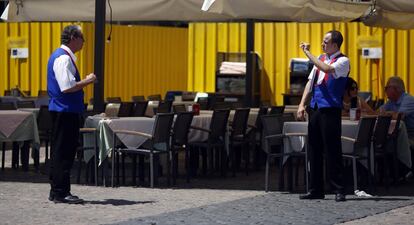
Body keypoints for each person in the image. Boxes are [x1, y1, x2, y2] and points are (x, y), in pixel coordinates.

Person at [297, 30, 349, 202]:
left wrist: (307, 53)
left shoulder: (343, 60)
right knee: (314, 149)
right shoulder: (320, 59)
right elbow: (310, 84)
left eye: (326, 41)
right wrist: (302, 104)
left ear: (335, 44)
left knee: (332, 149)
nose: (322, 44)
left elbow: (326, 69)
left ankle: (339, 189)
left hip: (331, 109)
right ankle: (315, 189)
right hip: (316, 108)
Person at [47, 25, 96, 204]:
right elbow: (67, 87)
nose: (84, 41)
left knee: (62, 151)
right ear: (74, 38)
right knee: (64, 152)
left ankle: (58, 190)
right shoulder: (63, 58)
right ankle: (60, 192)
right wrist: (88, 81)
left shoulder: (62, 57)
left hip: (63, 110)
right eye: (82, 37)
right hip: (64, 111)